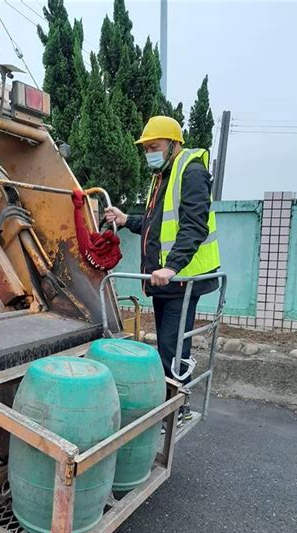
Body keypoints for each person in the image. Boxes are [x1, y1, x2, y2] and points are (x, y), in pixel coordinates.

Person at [106, 115, 220, 422]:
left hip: (182, 279)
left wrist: (171, 267)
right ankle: (172, 407)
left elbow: (195, 225)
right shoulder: (162, 177)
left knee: (172, 348)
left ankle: (176, 410)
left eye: (154, 147)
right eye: (146, 149)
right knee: (168, 346)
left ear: (174, 144)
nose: (149, 154)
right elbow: (155, 226)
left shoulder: (191, 171)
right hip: (166, 282)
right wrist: (125, 219)